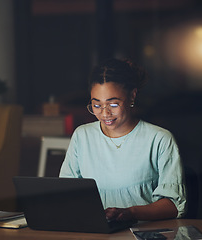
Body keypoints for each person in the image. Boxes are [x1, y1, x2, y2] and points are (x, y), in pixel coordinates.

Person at [59, 58, 186, 221]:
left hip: (143, 233)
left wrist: (131, 213)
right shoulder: (82, 136)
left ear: (132, 96)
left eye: (113, 104)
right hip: (94, 233)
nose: (105, 114)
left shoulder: (159, 139)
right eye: (96, 105)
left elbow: (173, 205)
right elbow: (64, 193)